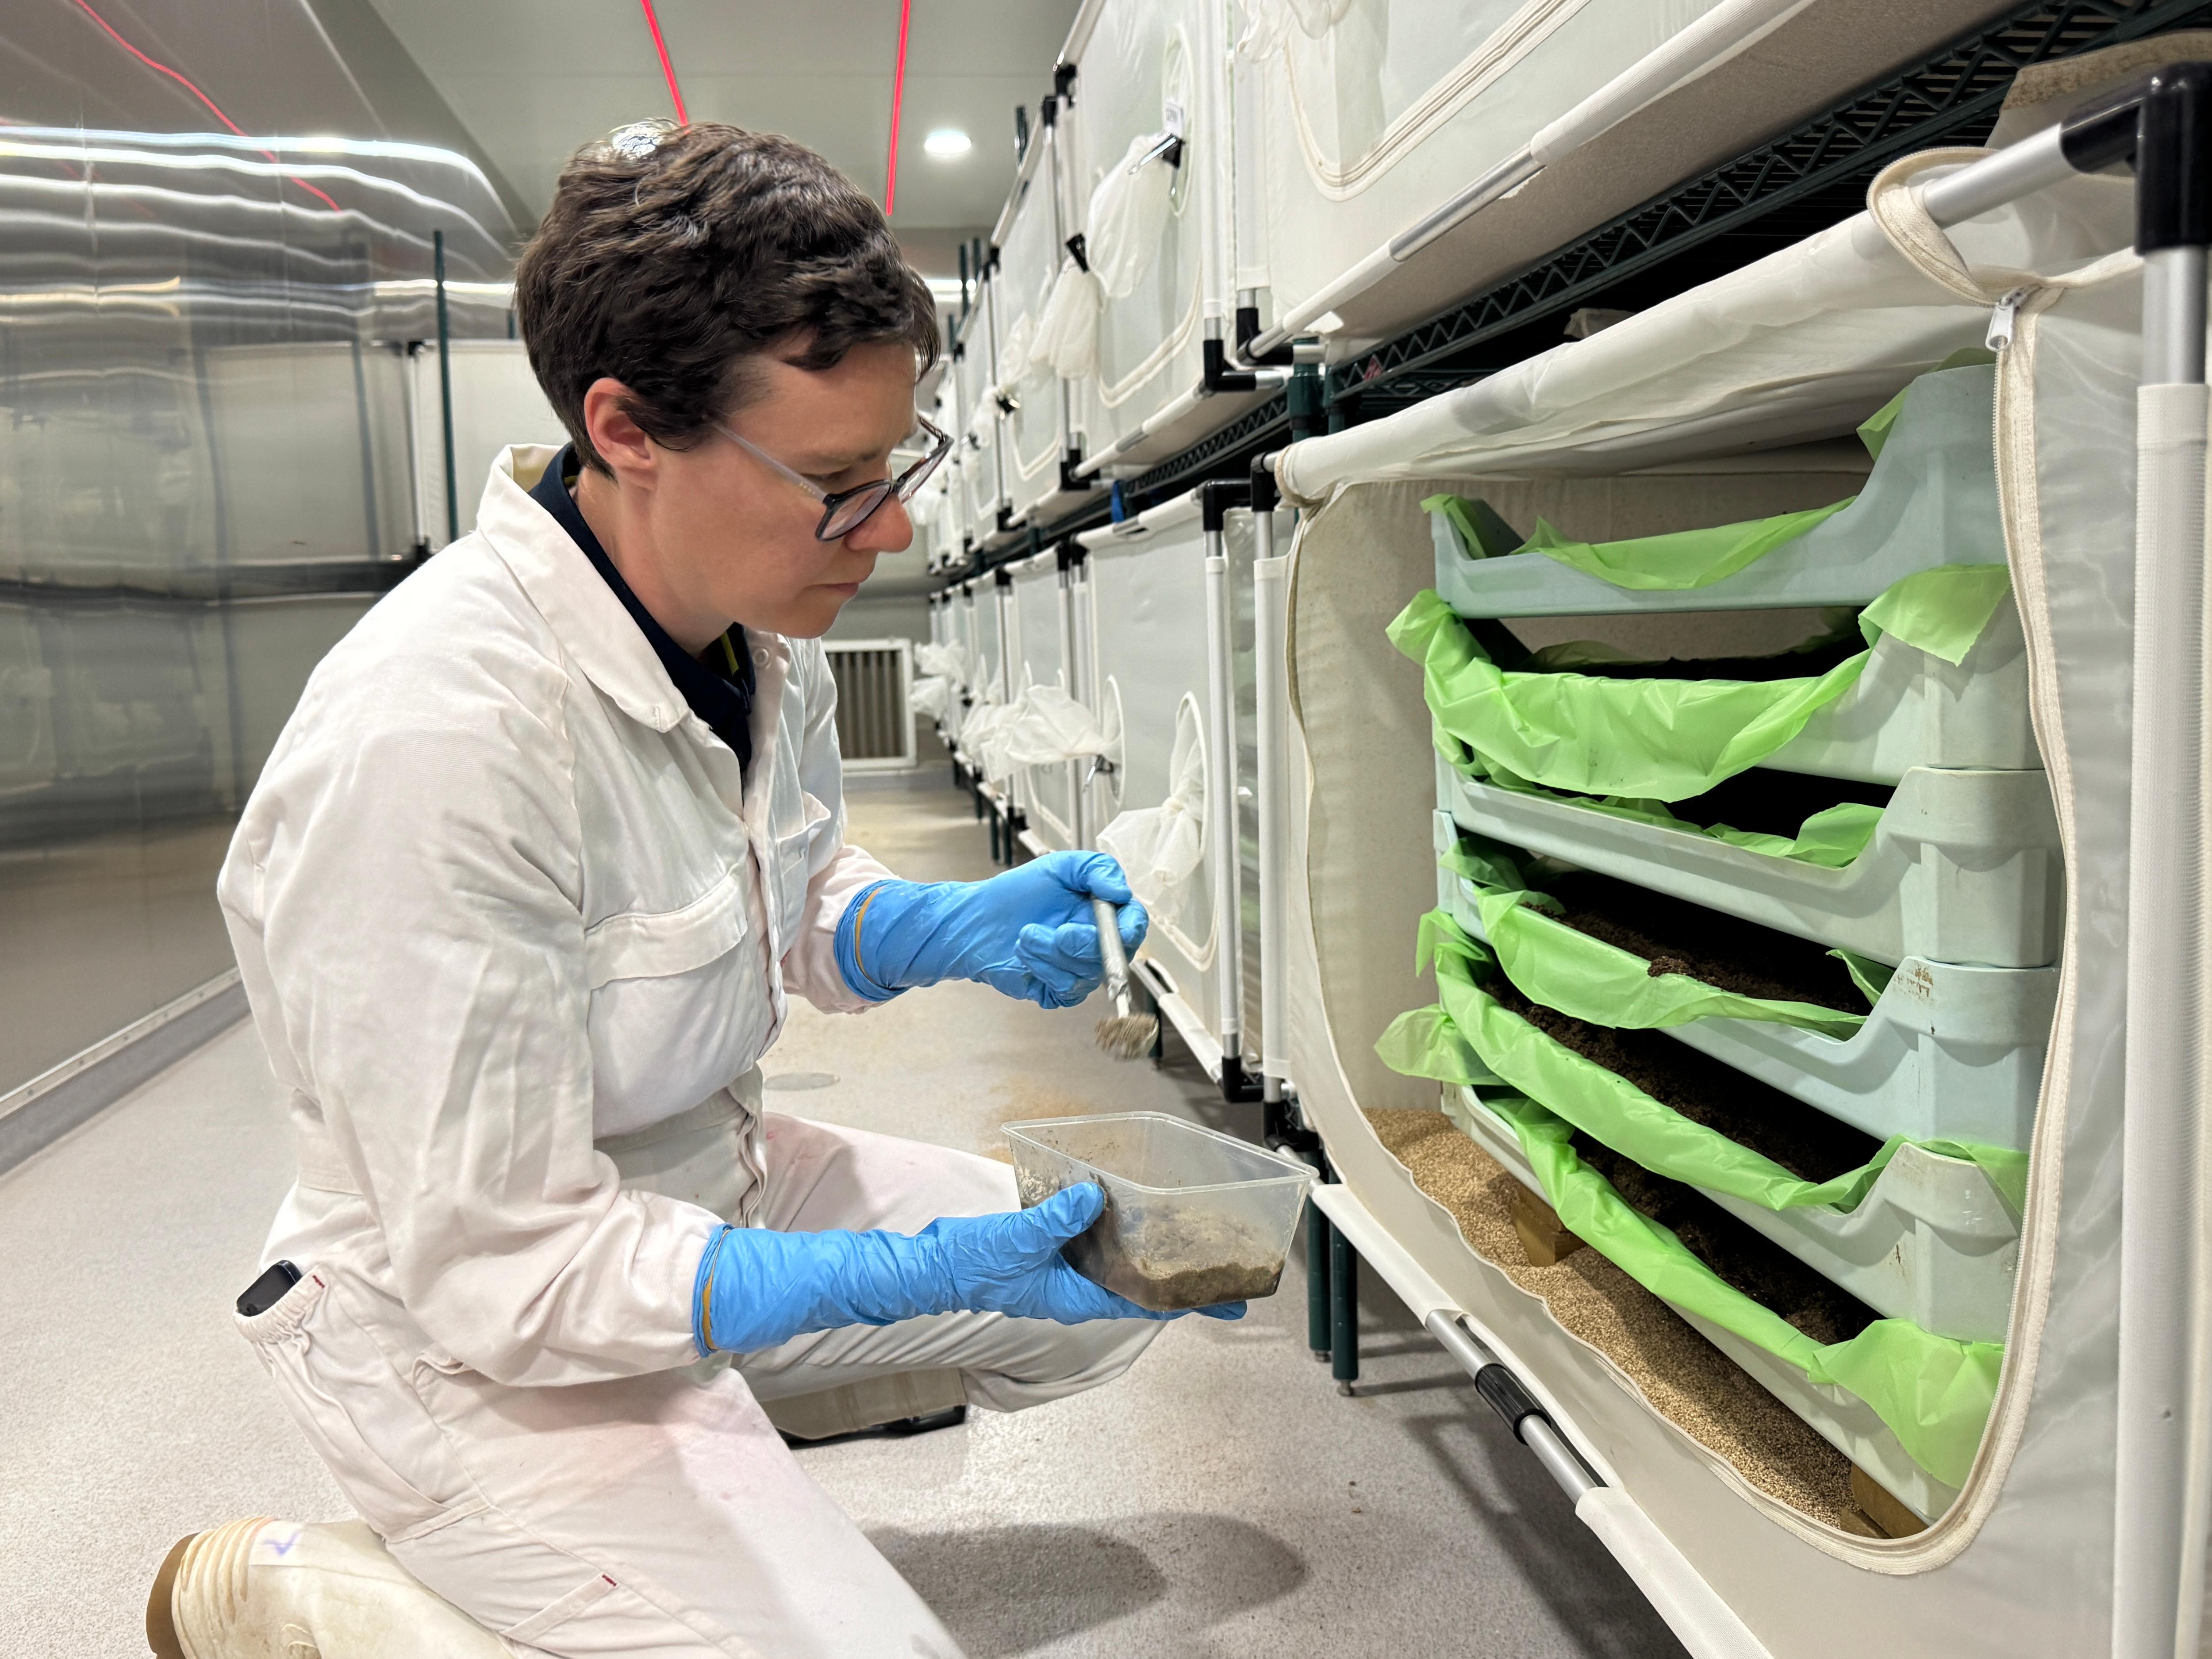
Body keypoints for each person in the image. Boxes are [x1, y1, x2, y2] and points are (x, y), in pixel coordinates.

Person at [146, 120, 1237, 1659]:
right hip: (471, 1337)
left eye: (893, 467)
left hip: (697, 1194)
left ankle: (701, 1469)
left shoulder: (741, 622)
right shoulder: (436, 740)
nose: (899, 528)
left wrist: (925, 924)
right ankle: (327, 1595)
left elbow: (773, 886)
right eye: (841, 482)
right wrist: (887, 1273)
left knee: (1115, 1274)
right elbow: (509, 1268)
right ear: (631, 428)